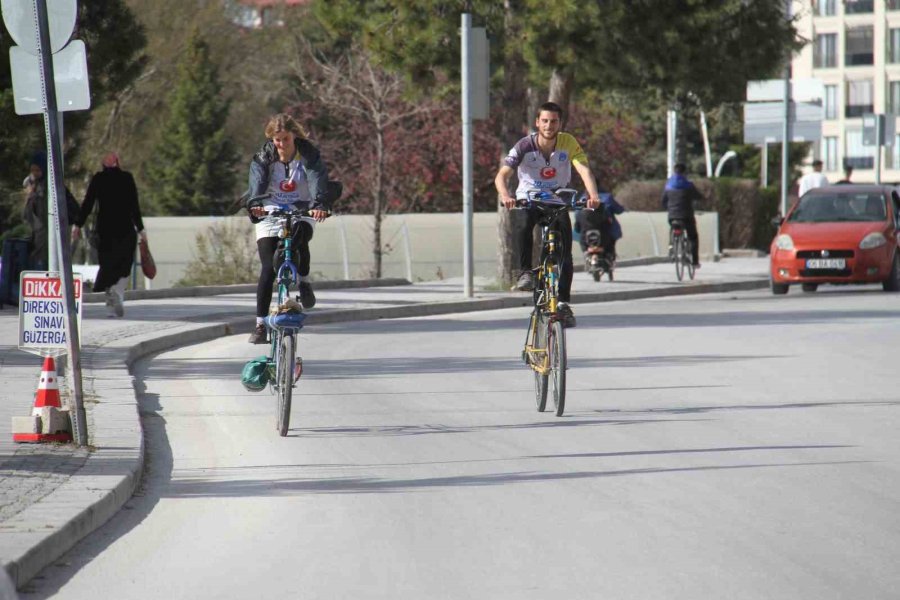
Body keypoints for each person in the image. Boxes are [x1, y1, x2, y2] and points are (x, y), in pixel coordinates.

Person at [494, 102, 601, 328]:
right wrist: (506, 195)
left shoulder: (568, 142)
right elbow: (501, 176)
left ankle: (563, 302)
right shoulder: (524, 145)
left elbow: (584, 170)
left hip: (558, 199)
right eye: (545, 121)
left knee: (565, 250)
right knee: (523, 225)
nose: (549, 125)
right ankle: (525, 272)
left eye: (553, 121)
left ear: (560, 123)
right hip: (530, 198)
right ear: (537, 122)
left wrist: (593, 195)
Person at [245, 113, 331, 345]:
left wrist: (319, 204)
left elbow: (316, 179)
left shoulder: (308, 155)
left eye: (285, 139)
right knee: (267, 268)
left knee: (299, 238)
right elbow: (256, 183)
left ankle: (303, 280)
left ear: (294, 136)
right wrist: (255, 205)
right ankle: (261, 324)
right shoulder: (264, 158)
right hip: (270, 211)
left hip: (302, 209)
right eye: (277, 140)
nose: (281, 145)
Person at [72, 153, 146, 318]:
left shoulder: (99, 179)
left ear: (103, 165)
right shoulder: (127, 178)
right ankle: (117, 293)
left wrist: (78, 224)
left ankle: (110, 302)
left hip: (105, 230)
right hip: (125, 228)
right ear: (117, 163)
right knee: (124, 264)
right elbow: (134, 205)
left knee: (107, 265)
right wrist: (141, 229)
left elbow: (88, 203)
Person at [22, 151, 80, 271]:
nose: (34, 174)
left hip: (49, 236)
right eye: (32, 170)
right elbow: (28, 214)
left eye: (37, 170)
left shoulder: (51, 186)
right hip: (38, 235)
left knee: (45, 265)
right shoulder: (33, 186)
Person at [661, 163, 701, 268]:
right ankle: (695, 262)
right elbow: (698, 196)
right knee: (693, 237)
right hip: (686, 216)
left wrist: (667, 208)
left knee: (673, 226)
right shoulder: (688, 185)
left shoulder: (668, 185)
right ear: (684, 172)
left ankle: (671, 246)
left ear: (675, 171)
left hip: (672, 216)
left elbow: (663, 201)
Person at [574, 192, 625, 262]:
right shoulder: (605, 201)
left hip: (585, 238)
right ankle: (610, 257)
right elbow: (617, 212)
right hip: (603, 237)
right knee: (610, 241)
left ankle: (586, 254)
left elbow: (577, 228)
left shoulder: (580, 207)